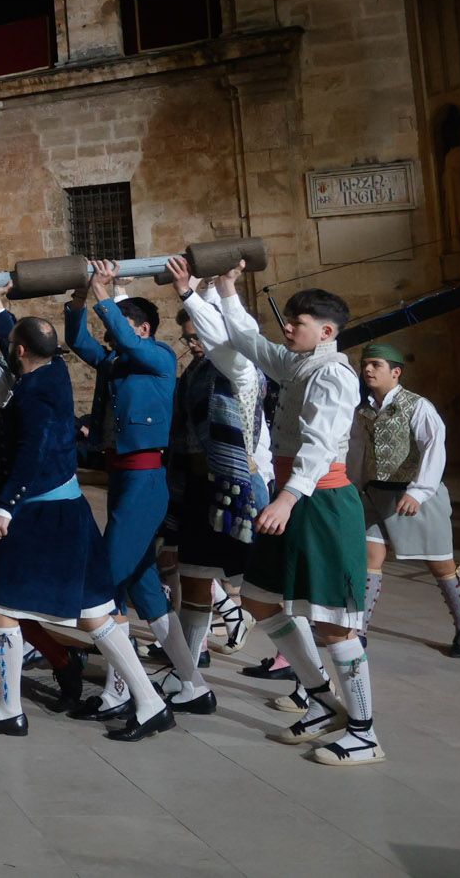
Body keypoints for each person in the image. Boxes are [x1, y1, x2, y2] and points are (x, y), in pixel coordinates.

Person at [0, 278, 174, 739]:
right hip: (71, 511)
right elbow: (19, 341)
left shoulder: (31, 395)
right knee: (95, 614)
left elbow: (33, 454)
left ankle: (8, 709)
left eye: (11, 344)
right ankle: (151, 703)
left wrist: (4, 506)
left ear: (18, 352)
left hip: (42, 514)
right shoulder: (52, 372)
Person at [204, 264, 384, 767]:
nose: (288, 328)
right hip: (293, 496)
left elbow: (321, 444)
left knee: (333, 625)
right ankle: (325, 702)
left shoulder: (334, 374)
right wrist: (225, 291)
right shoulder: (299, 363)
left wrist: (286, 498)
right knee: (262, 600)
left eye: (298, 322)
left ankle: (365, 733)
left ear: (325, 332)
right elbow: (248, 339)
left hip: (320, 502)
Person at [63, 261, 211, 719]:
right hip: (123, 478)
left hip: (147, 480)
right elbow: (79, 341)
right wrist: (79, 301)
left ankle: (120, 691)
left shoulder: (159, 356)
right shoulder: (117, 363)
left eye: (122, 323)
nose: (112, 333)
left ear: (143, 328)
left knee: (108, 584)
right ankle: (194, 685)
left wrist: (104, 292)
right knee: (145, 591)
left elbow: (121, 339)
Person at [159, 264, 273, 679]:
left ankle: (310, 681)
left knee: (263, 596)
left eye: (197, 336)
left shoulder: (240, 367)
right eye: (188, 338)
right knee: (193, 582)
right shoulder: (195, 374)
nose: (193, 344)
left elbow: (223, 339)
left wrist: (190, 292)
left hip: (237, 491)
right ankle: (189, 678)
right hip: (198, 492)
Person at [349, 343, 460, 658]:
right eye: (365, 364)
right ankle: (359, 631)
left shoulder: (418, 407)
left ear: (396, 372)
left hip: (415, 495)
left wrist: (419, 491)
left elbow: (435, 447)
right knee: (370, 558)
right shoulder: (363, 411)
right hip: (375, 494)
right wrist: (352, 487)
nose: (368, 370)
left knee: (441, 564)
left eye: (376, 365)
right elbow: (356, 452)